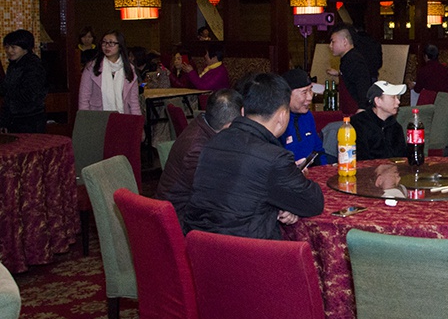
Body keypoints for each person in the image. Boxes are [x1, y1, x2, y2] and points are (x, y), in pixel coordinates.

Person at [183, 73, 323, 240]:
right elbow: (314, 202)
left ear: (242, 111)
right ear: (282, 115)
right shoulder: (274, 156)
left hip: (200, 245)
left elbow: (241, 193)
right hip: (245, 249)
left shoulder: (214, 142)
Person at [156, 88, 243, 228]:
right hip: (179, 222)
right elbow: (219, 196)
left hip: (194, 211)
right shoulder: (196, 150)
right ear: (229, 126)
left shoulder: (205, 124)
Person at [78, 30, 141, 115]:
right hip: (97, 117)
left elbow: (134, 102)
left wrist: (137, 121)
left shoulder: (129, 69)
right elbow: (84, 98)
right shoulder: (91, 67)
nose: (107, 46)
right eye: (104, 42)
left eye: (111, 43)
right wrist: (85, 119)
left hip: (123, 116)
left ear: (120, 46)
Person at [1, 29, 47, 133]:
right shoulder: (14, 65)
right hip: (16, 119)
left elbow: (30, 94)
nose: (9, 51)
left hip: (30, 120)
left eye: (13, 47)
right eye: (7, 47)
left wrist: (8, 91)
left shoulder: (33, 66)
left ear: (25, 48)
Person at [279, 68, 326, 165]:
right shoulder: (277, 120)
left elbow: (318, 151)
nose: (310, 97)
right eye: (304, 92)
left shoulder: (307, 116)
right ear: (287, 95)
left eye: (310, 90)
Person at [349, 80, 407, 160]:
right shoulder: (358, 124)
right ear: (378, 101)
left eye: (397, 97)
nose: (398, 102)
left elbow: (402, 157)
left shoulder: (396, 127)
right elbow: (360, 159)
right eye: (393, 97)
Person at [327, 25, 374, 109]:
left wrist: (362, 108)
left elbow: (362, 85)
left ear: (344, 41)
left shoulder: (354, 60)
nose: (330, 46)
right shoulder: (347, 59)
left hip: (355, 109)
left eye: (333, 42)